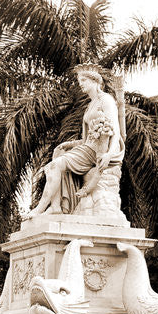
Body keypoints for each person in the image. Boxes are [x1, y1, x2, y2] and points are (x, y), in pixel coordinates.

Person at [29, 65, 124, 217]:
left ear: (95, 81)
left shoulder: (106, 100)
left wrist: (109, 154)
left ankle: (41, 209)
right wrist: (70, 144)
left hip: (97, 151)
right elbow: (86, 139)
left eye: (84, 80)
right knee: (57, 156)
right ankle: (55, 207)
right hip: (87, 148)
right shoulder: (90, 105)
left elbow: (115, 131)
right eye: (80, 81)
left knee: (54, 166)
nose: (81, 84)